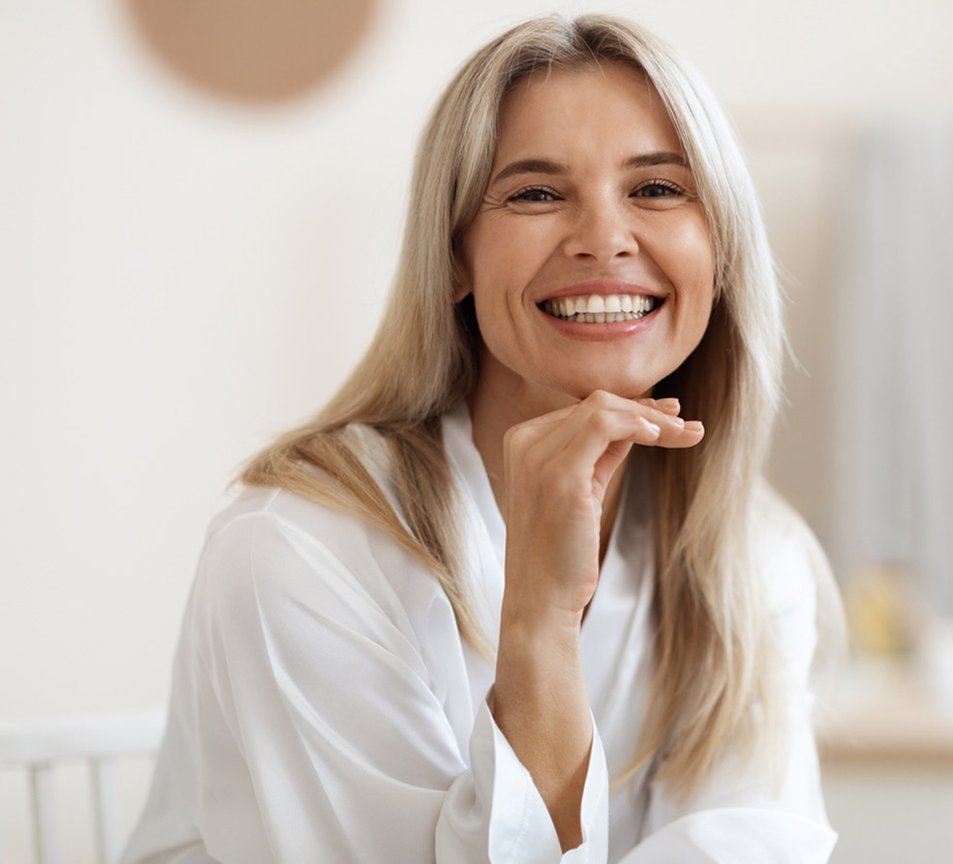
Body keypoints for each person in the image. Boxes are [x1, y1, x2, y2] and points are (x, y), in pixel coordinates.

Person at [122, 13, 840, 863]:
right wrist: (537, 621)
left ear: (718, 252)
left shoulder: (751, 558)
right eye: (536, 193)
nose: (603, 238)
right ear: (454, 256)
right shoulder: (299, 550)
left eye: (656, 189)